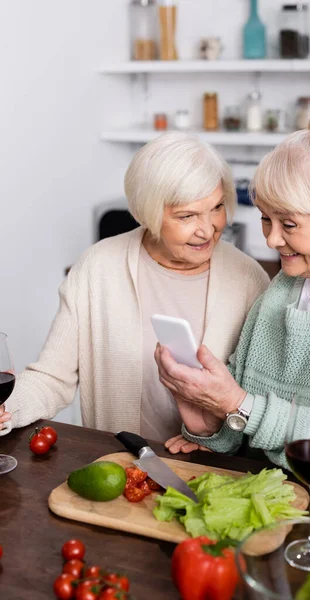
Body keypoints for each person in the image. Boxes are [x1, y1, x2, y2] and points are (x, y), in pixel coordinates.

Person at [156, 96, 310, 487]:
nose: (271, 239)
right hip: (268, 503)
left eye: (289, 224)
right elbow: (244, 426)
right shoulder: (284, 287)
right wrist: (207, 422)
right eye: (266, 219)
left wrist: (236, 403)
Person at [0, 133, 269, 441]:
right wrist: (9, 407)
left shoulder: (248, 279)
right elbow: (51, 379)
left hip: (212, 474)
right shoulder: (98, 267)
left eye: (217, 207)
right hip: (117, 473)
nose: (207, 229)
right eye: (187, 216)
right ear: (148, 211)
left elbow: (256, 404)